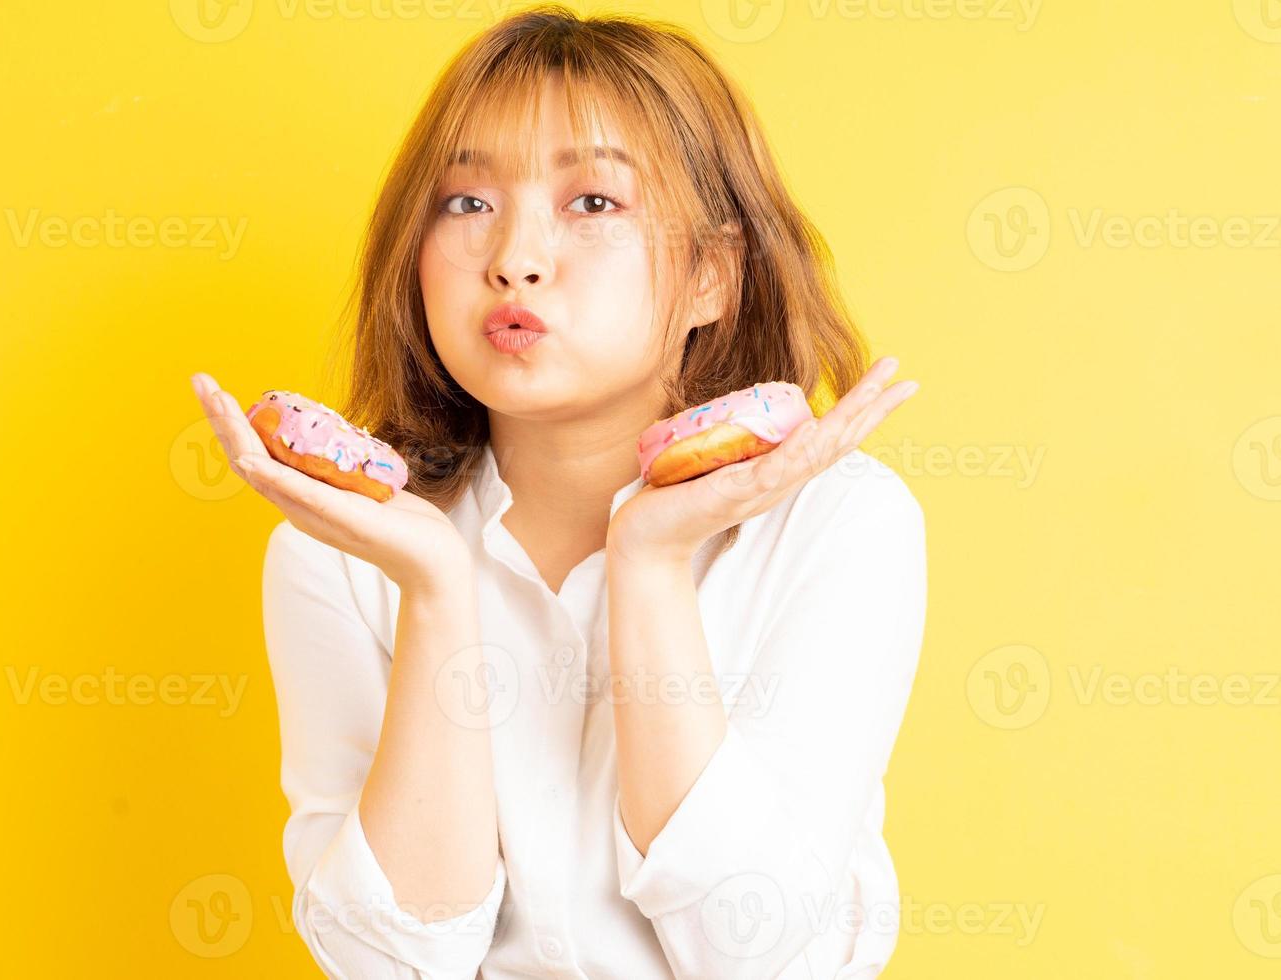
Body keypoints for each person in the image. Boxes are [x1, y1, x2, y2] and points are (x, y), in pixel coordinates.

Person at [191, 5, 925, 977]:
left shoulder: (840, 526)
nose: (514, 258)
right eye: (465, 203)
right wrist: (437, 591)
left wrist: (651, 563)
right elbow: (392, 964)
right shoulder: (342, 552)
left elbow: (748, 951)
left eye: (593, 203)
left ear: (711, 273)